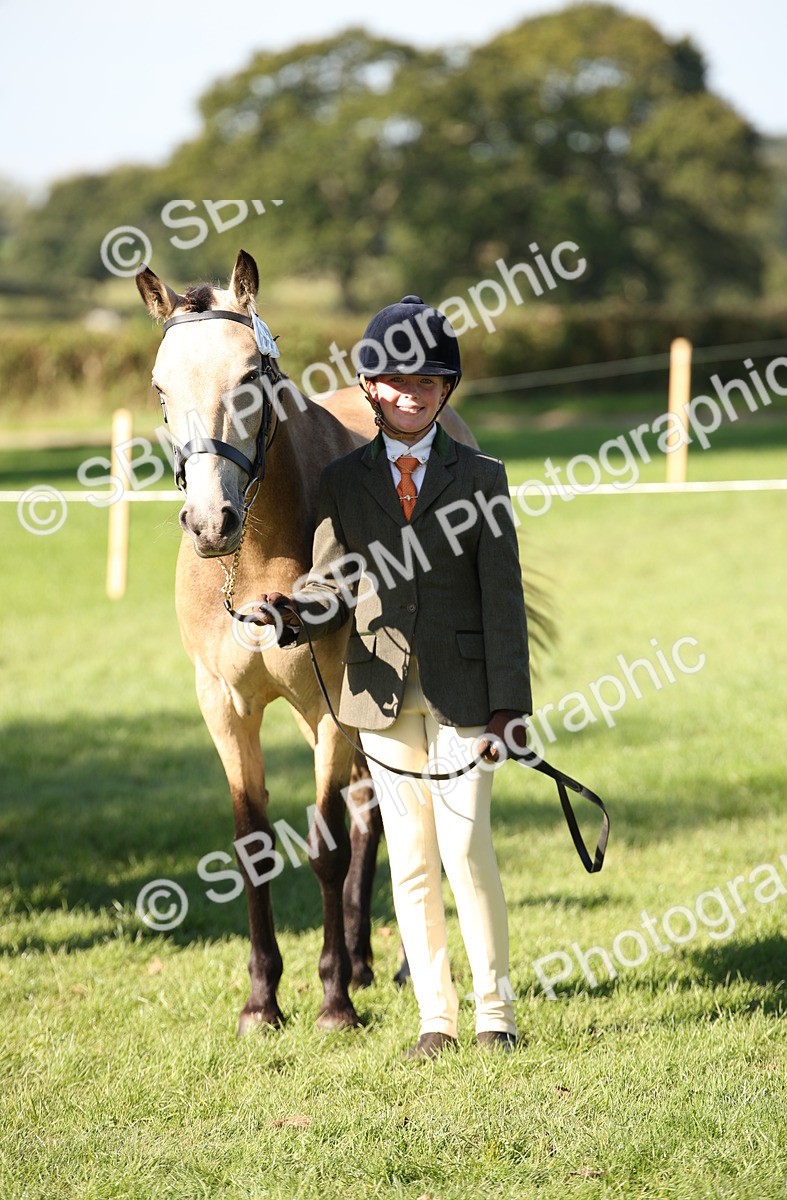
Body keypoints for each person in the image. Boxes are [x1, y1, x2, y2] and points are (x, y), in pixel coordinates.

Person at [253, 295, 532, 1058]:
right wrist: (291, 613)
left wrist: (512, 706)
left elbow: (504, 602)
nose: (412, 393)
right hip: (378, 695)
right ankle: (435, 1019)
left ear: (447, 391)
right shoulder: (342, 483)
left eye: (429, 382)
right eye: (396, 380)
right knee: (408, 857)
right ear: (371, 388)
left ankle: (493, 1013)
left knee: (467, 847)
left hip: (467, 697)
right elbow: (331, 577)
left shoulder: (482, 477)